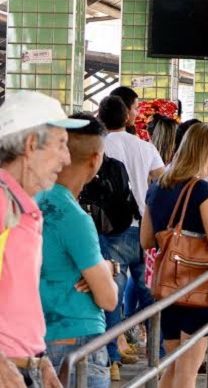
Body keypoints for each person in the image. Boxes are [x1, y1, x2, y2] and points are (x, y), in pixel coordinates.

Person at [0, 91, 87, 388]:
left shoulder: (22, 203)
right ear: (30, 145)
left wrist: (38, 358)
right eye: (61, 145)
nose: (66, 159)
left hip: (22, 366)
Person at [140, 124, 208, 388]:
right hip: (195, 291)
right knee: (187, 374)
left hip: (166, 289)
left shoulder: (157, 186)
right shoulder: (202, 190)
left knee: (173, 366)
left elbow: (146, 240)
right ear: (206, 153)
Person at [37, 114, 118, 388]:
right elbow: (108, 298)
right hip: (77, 337)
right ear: (95, 159)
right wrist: (108, 269)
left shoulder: (28, 200)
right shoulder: (73, 217)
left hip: (33, 340)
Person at [97, 95, 165, 378]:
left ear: (101, 118)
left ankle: (111, 358)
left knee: (112, 293)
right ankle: (159, 356)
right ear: (128, 118)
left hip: (111, 230)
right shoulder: (144, 147)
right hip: (143, 228)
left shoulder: (99, 146)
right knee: (150, 291)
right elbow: (162, 179)